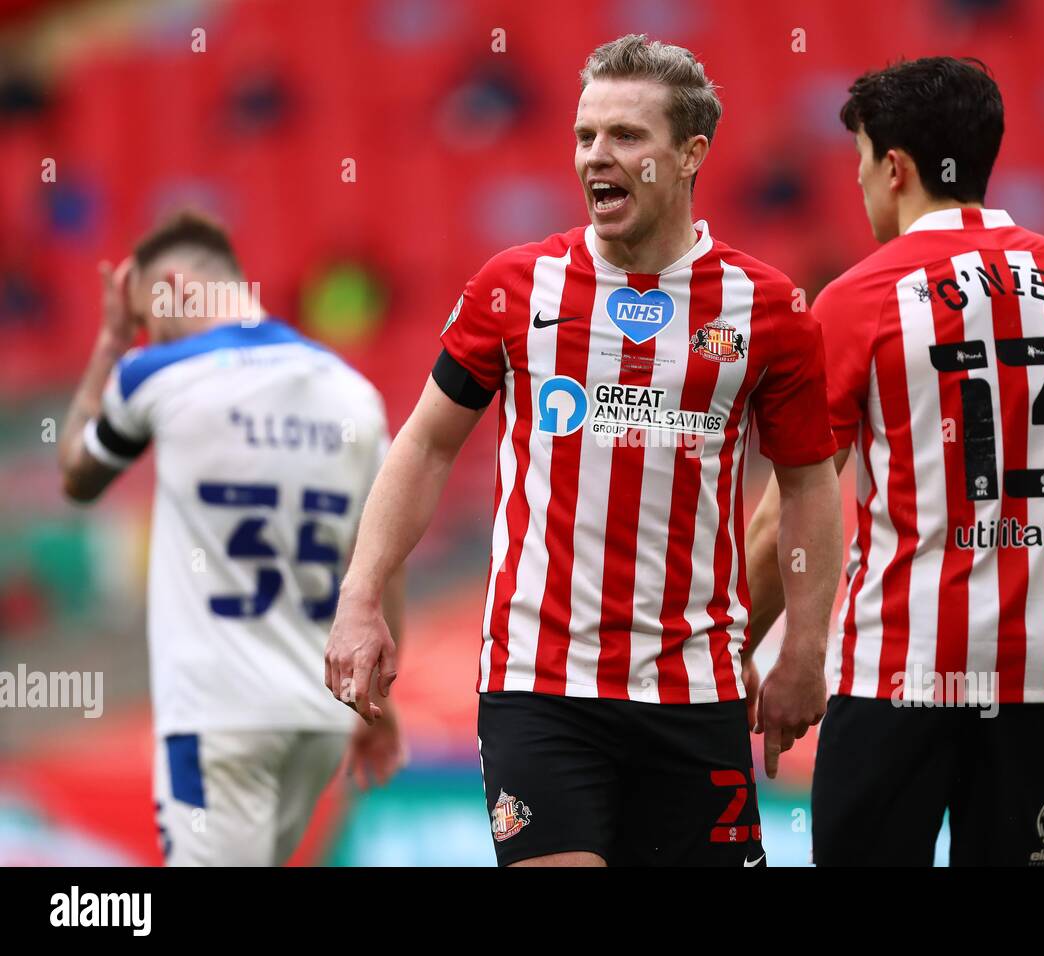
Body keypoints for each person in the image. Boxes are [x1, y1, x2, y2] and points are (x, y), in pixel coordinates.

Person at [325, 34, 843, 867]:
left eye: (627, 137)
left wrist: (804, 651)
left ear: (689, 156)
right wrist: (361, 596)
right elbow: (423, 445)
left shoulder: (768, 310)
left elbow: (811, 490)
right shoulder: (514, 288)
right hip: (539, 686)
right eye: (585, 136)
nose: (597, 156)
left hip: (695, 688)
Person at [743, 57, 1044, 866]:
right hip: (1042, 686)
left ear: (896, 168)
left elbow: (793, 505)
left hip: (898, 678)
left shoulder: (858, 299)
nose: (860, 190)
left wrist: (736, 647)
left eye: (860, 169)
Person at [58, 212, 405, 866]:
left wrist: (108, 346)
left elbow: (77, 474)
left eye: (146, 318)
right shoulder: (354, 394)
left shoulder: (154, 372)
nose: (147, 336)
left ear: (180, 288)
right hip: (320, 717)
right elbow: (389, 556)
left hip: (219, 715)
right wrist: (378, 703)